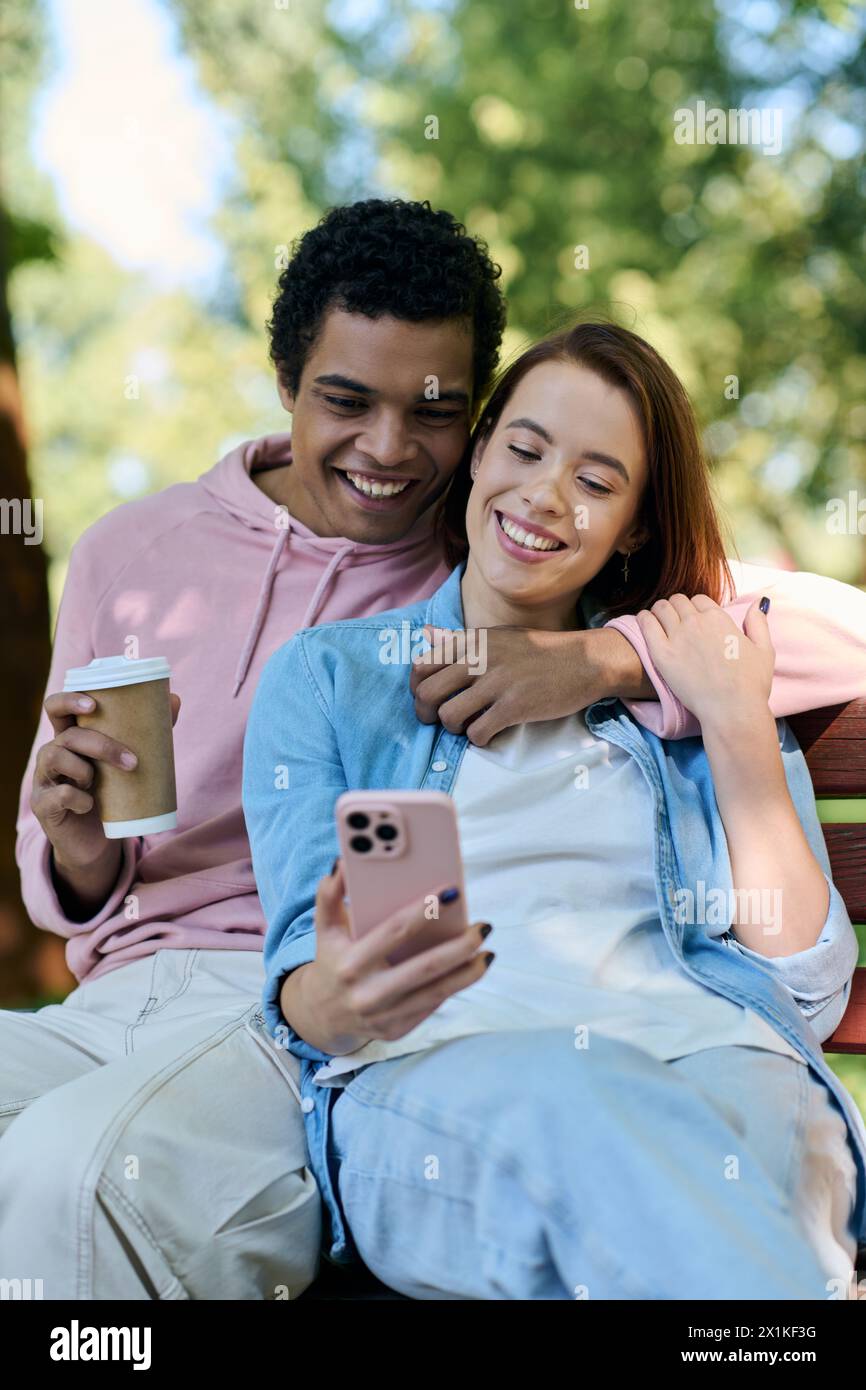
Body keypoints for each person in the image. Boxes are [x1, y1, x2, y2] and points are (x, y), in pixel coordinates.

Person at [2, 199, 865, 1300]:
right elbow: (83, 876)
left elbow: (778, 627)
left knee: (70, 1173)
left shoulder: (551, 590)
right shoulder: (159, 567)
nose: (387, 450)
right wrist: (75, 842)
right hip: (145, 992)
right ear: (284, 381)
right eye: (345, 401)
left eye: (433, 414)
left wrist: (601, 660)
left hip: (293, 1003)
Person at [244, 320, 866, 1301]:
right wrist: (339, 998)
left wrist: (724, 713)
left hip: (718, 1061)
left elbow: (805, 992)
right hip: (453, 1080)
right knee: (586, 1114)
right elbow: (301, 987)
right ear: (480, 449)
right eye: (525, 450)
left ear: (636, 526)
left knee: (733, 1145)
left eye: (595, 479)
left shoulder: (697, 669)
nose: (542, 494)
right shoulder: (333, 679)